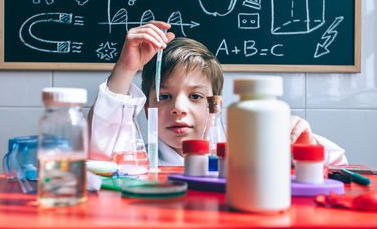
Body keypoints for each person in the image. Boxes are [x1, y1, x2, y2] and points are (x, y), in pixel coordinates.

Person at [88, 21, 347, 166]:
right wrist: (126, 67)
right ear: (147, 108)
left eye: (195, 96)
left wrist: (302, 143)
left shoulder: (249, 151)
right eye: (164, 96)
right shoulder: (135, 162)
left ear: (216, 106)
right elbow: (97, 148)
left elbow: (337, 165)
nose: (179, 108)